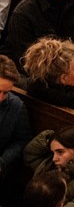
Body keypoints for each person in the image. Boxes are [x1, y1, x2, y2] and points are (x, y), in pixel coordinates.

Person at [0, 53, 31, 183]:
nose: (0, 98)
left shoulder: (16, 106)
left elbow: (22, 141)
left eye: (5, 92)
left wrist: (2, 161)